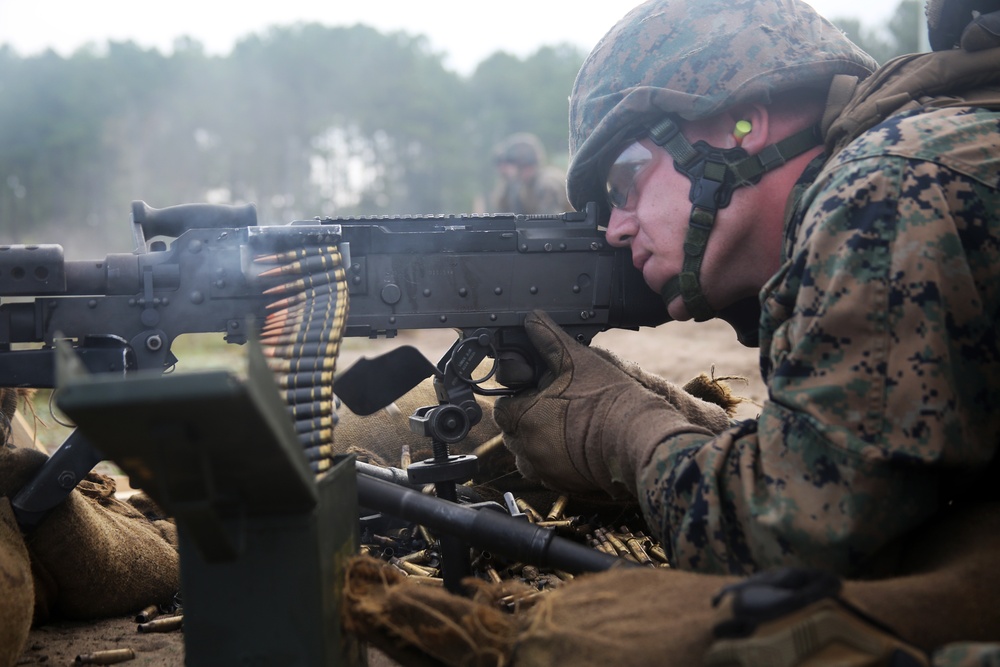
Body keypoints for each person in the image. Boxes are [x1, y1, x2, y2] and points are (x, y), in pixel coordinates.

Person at [494, 0, 1000, 584]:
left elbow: (795, 543)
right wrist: (677, 421)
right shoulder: (903, 165)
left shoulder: (884, 193)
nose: (615, 227)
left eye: (624, 180)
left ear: (742, 128)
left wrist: (615, 426)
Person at [489, 132, 572, 214]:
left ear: (525, 166)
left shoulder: (547, 184)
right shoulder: (525, 185)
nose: (508, 172)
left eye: (511, 166)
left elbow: (549, 223)